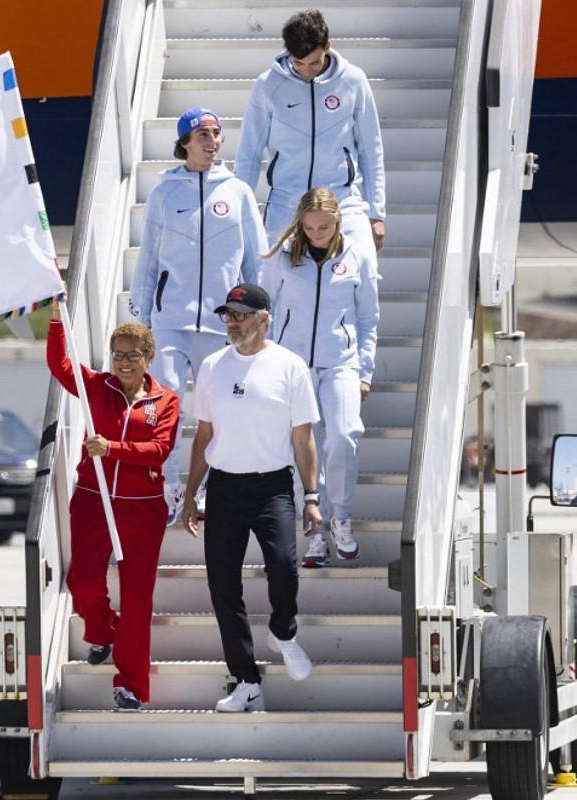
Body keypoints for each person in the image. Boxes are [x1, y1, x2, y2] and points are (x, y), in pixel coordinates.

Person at [181, 283, 321, 712]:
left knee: (283, 568)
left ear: (264, 318)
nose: (232, 322)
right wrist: (190, 495)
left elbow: (304, 440)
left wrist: (312, 496)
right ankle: (246, 681)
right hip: (223, 487)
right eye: (228, 315)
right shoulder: (211, 366)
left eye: (241, 314)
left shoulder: (289, 366)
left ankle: (284, 631)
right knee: (223, 587)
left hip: (272, 488)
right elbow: (203, 434)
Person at [129, 106, 268, 524]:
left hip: (223, 323)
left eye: (216, 134)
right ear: (185, 143)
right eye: (203, 135)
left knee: (218, 409)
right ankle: (168, 486)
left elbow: (254, 263)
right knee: (166, 401)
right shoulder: (163, 193)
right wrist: (141, 319)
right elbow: (149, 261)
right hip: (171, 318)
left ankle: (206, 487)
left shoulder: (238, 192)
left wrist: (260, 316)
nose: (212, 142)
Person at [46, 304, 180, 711]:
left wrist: (113, 449)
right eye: (117, 354)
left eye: (132, 355)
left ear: (148, 358)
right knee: (83, 582)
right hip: (92, 500)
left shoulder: (165, 400)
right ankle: (102, 630)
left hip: (142, 509)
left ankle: (131, 686)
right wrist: (55, 320)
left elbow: (159, 450)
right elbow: (59, 364)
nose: (123, 362)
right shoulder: (96, 387)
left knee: (138, 599)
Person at [261, 188, 380, 567]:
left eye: (324, 227)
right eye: (310, 228)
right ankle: (312, 530)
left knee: (344, 436)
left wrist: (365, 370)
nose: (317, 234)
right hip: (291, 367)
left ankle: (340, 517)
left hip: (341, 363)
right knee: (302, 445)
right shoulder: (283, 258)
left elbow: (367, 318)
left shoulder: (357, 255)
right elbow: (265, 311)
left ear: (338, 222)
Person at [234, 10, 386, 256]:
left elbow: (371, 150)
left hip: (342, 200)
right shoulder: (268, 85)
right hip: (286, 202)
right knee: (274, 280)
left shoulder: (353, 81)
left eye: (314, 62)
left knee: (362, 267)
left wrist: (377, 213)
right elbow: (249, 153)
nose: (306, 71)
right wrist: (238, 211)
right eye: (298, 63)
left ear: (328, 46)